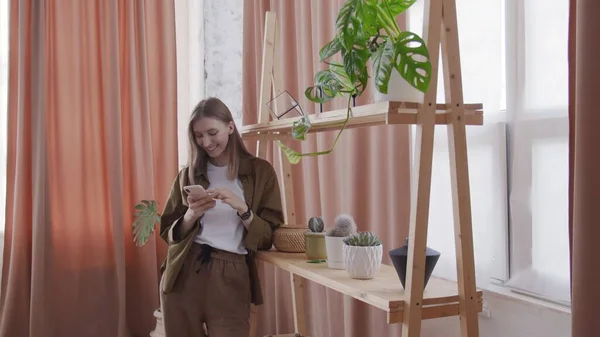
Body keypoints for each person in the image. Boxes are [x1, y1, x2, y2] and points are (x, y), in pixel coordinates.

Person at [158, 97, 284, 337]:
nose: (206, 142)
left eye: (212, 132)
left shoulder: (261, 172)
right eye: (198, 135)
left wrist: (242, 208)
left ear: (230, 126)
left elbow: (269, 236)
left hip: (232, 273)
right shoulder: (189, 174)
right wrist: (192, 214)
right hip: (185, 268)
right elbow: (168, 232)